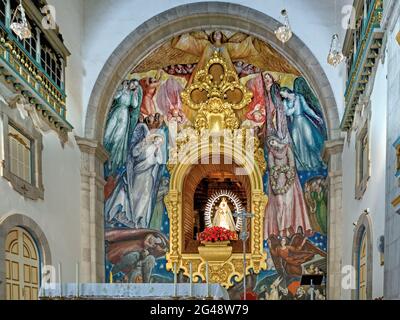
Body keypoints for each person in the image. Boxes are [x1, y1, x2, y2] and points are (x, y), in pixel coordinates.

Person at [280, 87, 325, 171]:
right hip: (295, 124)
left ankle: (321, 159)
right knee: (297, 144)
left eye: (282, 94)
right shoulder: (285, 102)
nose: (282, 96)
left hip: (303, 121)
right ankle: (305, 165)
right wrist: (294, 106)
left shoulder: (299, 97)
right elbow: (287, 113)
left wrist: (316, 116)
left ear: (286, 91)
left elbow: (306, 108)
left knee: (310, 141)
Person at [104, 79, 143, 175]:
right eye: (133, 83)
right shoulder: (123, 89)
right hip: (116, 111)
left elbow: (135, 105)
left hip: (124, 115)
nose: (134, 86)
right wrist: (122, 89)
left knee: (118, 137)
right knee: (107, 134)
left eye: (136, 85)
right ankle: (104, 155)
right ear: (130, 82)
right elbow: (115, 97)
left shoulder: (132, 94)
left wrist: (135, 94)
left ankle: (112, 161)